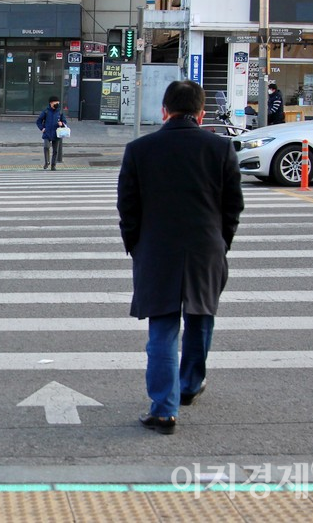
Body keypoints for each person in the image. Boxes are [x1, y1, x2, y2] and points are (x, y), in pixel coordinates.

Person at [116, 80, 244, 435]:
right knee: (201, 318)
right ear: (201, 114)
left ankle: (164, 409)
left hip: (157, 251)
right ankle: (189, 385)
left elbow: (128, 206)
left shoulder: (140, 149)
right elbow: (233, 205)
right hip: (206, 248)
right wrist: (221, 242)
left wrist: (137, 247)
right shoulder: (220, 148)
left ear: (164, 111)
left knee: (163, 327)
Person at [35, 96, 67, 170]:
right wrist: (42, 128)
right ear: (51, 103)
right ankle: (47, 162)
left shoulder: (60, 112)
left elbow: (64, 122)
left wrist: (61, 124)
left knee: (55, 150)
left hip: (57, 133)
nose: (57, 104)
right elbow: (38, 121)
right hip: (47, 133)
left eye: (58, 102)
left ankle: (53, 165)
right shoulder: (46, 111)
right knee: (46, 147)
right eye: (56, 102)